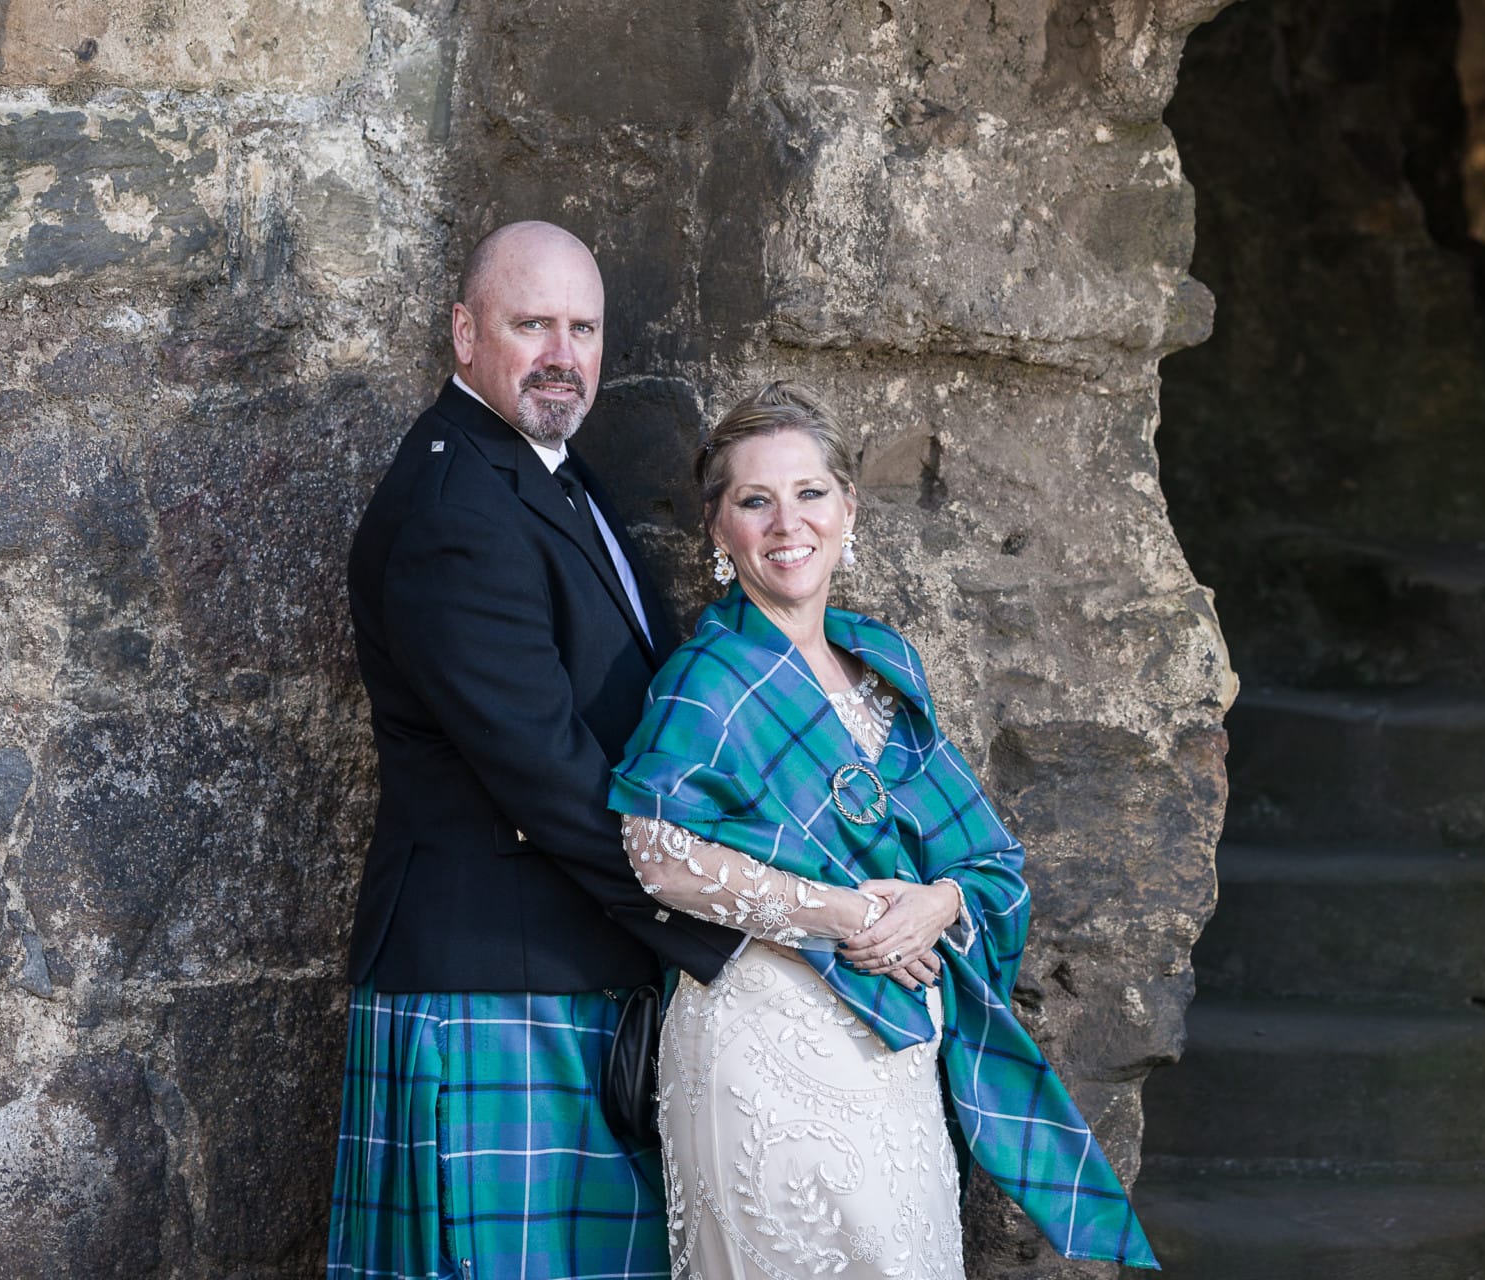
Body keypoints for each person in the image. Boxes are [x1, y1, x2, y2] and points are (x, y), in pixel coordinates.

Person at [608, 382, 1159, 1279]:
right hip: (763, 1043)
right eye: (756, 501)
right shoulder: (706, 677)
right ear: (720, 529)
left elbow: (985, 863)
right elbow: (656, 852)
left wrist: (938, 903)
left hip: (894, 1047)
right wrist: (842, 915)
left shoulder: (883, 666)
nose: (788, 523)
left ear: (847, 507)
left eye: (810, 493)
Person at [327, 221, 742, 1280]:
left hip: (551, 970)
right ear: (464, 332)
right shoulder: (455, 506)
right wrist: (725, 923)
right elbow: (548, 772)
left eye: (584, 327)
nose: (563, 352)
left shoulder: (547, 469)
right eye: (531, 324)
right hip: (494, 986)